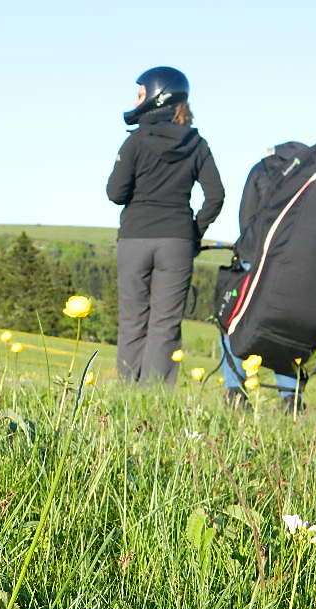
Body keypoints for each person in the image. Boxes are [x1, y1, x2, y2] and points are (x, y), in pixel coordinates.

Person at [221, 143, 316, 410]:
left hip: (260, 260)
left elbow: (247, 217)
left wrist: (250, 248)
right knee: (287, 329)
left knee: (231, 318)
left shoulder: (264, 169)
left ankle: (235, 392)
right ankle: (290, 398)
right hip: (308, 271)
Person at [107, 66, 224, 385]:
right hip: (177, 241)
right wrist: (194, 233)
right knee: (166, 323)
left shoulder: (135, 142)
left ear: (157, 96)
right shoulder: (197, 144)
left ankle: (127, 393)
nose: (136, 100)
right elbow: (216, 196)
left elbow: (115, 194)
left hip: (135, 238)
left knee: (132, 320)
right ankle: (154, 396)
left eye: (140, 94)